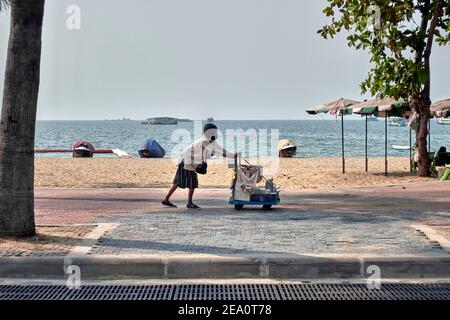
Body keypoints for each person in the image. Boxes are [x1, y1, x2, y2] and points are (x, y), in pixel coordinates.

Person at [162, 123, 237, 209]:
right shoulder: (205, 141)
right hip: (186, 162)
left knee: (178, 182)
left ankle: (166, 199)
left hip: (187, 161)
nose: (216, 134)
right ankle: (189, 203)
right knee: (192, 182)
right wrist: (231, 155)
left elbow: (219, 149)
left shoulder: (210, 141)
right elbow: (218, 152)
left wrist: (231, 155)